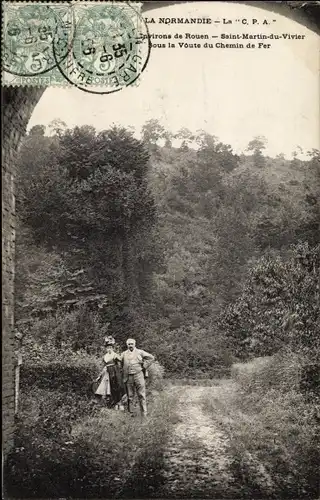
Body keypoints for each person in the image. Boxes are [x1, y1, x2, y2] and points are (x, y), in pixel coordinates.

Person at [121, 338, 155, 417]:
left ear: (135, 344)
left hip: (139, 375)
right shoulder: (124, 354)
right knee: (130, 396)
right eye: (129, 344)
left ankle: (144, 414)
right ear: (127, 345)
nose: (130, 346)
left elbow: (151, 358)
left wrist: (144, 365)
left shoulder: (140, 352)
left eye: (132, 344)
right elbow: (119, 361)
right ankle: (132, 414)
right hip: (128, 377)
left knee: (141, 395)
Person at [95, 336, 125, 407]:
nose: (109, 349)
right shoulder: (105, 356)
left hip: (115, 370)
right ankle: (112, 402)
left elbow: (121, 361)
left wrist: (118, 359)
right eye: (108, 348)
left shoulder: (115, 354)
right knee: (110, 387)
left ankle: (120, 402)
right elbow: (103, 365)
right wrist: (100, 375)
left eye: (110, 347)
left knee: (118, 385)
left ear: (112, 348)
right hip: (108, 372)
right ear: (106, 349)